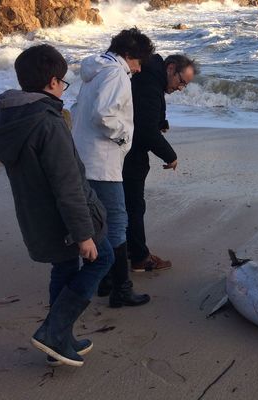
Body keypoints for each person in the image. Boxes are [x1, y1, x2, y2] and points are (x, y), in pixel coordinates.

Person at [0, 44, 114, 367]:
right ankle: (54, 331)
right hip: (63, 221)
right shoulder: (48, 123)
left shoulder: (12, 118)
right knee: (103, 257)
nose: (63, 90)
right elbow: (67, 186)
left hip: (37, 218)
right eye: (64, 83)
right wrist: (83, 233)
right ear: (54, 82)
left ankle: (59, 339)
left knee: (65, 268)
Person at [71, 28, 155, 308]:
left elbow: (82, 110)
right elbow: (104, 115)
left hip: (84, 157)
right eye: (139, 62)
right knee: (117, 223)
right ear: (129, 56)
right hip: (102, 161)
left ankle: (105, 281)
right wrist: (123, 137)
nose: (139, 69)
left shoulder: (96, 71)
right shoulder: (116, 73)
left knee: (98, 221)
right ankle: (121, 289)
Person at [122, 54, 198, 272]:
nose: (181, 88)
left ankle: (128, 248)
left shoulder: (150, 77)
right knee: (134, 205)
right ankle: (139, 257)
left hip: (124, 148)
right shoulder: (149, 85)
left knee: (128, 204)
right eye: (181, 81)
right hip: (129, 151)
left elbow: (146, 111)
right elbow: (145, 130)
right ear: (171, 68)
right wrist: (170, 156)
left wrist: (160, 121)